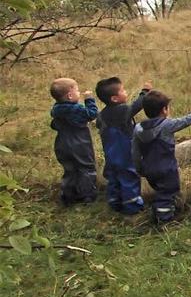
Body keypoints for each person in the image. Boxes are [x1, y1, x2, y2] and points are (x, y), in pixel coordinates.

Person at [132, 90, 191, 224]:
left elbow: (134, 151)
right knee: (167, 193)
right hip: (167, 170)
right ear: (164, 110)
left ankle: (162, 209)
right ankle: (164, 219)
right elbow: (185, 121)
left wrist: (139, 168)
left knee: (161, 191)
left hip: (149, 169)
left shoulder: (138, 128)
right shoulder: (166, 125)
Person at [95, 77, 151, 214]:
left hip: (110, 153)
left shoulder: (101, 115)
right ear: (114, 98)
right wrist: (145, 92)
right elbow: (137, 105)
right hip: (125, 153)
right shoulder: (122, 111)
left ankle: (114, 202)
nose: (126, 92)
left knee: (113, 178)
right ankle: (133, 208)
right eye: (123, 90)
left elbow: (99, 125)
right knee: (129, 178)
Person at [49, 77, 98, 206]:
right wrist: (89, 100)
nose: (79, 93)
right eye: (77, 90)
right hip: (79, 143)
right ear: (70, 95)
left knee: (70, 170)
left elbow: (54, 125)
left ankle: (68, 196)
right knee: (86, 168)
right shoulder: (76, 109)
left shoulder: (56, 109)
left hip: (61, 144)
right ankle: (87, 196)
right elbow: (92, 114)